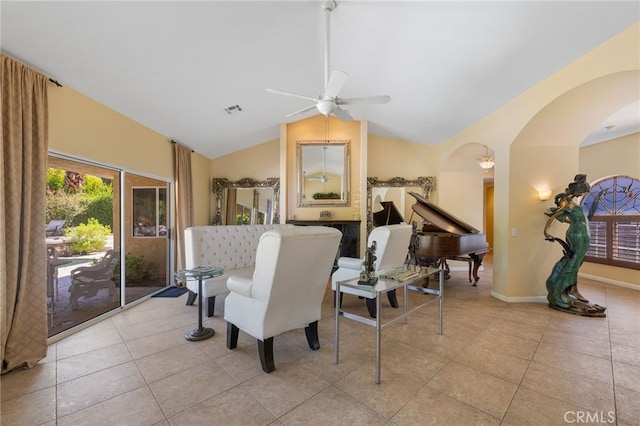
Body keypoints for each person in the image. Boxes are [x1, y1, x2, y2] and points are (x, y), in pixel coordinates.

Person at [543, 174, 606, 316]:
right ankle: (562, 290)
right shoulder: (566, 202)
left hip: (583, 233)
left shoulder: (574, 203)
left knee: (576, 261)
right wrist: (546, 232)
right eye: (582, 192)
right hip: (576, 235)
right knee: (573, 262)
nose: (583, 194)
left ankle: (571, 288)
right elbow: (554, 216)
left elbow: (570, 219)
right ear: (577, 190)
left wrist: (576, 222)